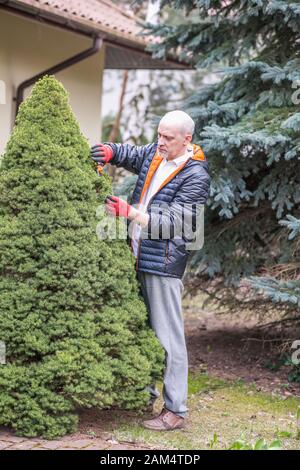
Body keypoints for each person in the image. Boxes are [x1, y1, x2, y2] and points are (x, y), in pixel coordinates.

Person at [91, 110, 210, 431]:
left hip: (163, 263)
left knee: (168, 338)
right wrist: (111, 151)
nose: (160, 142)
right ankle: (144, 395)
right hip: (135, 255)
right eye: (159, 135)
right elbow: (134, 154)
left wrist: (128, 212)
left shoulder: (195, 176)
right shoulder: (156, 153)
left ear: (187, 140)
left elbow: (176, 223)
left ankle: (176, 410)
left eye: (168, 138)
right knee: (141, 329)